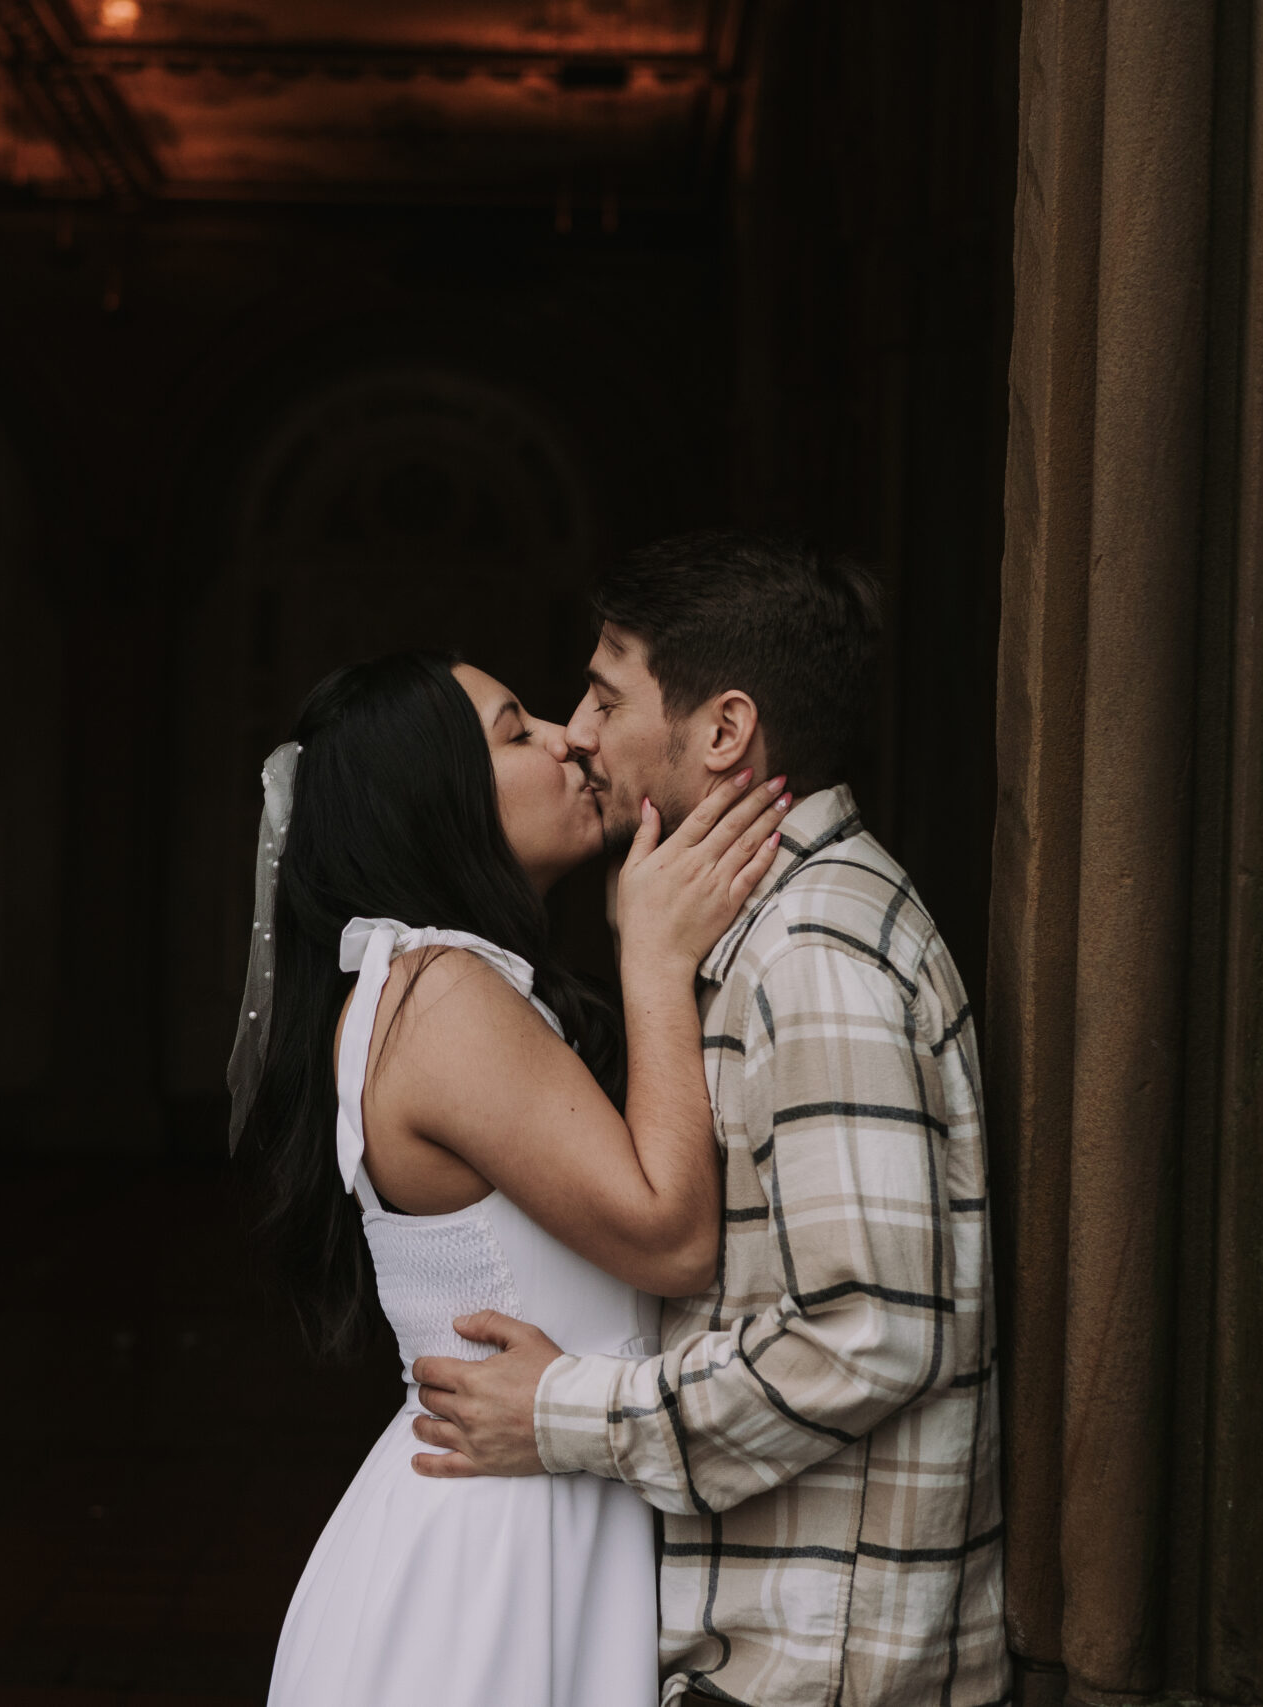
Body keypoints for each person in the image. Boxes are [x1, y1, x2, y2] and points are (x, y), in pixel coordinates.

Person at [407, 532, 1007, 1706]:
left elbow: (870, 1331)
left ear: (724, 731)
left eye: (604, 692)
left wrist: (563, 1413)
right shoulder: (763, 934)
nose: (578, 730)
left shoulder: (813, 953)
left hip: (814, 1675)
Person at [238, 649, 788, 1707]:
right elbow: (670, 1236)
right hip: (490, 1557)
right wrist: (655, 964)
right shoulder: (438, 992)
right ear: (432, 800)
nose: (568, 737)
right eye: (514, 730)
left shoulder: (430, 985)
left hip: (530, 1510)